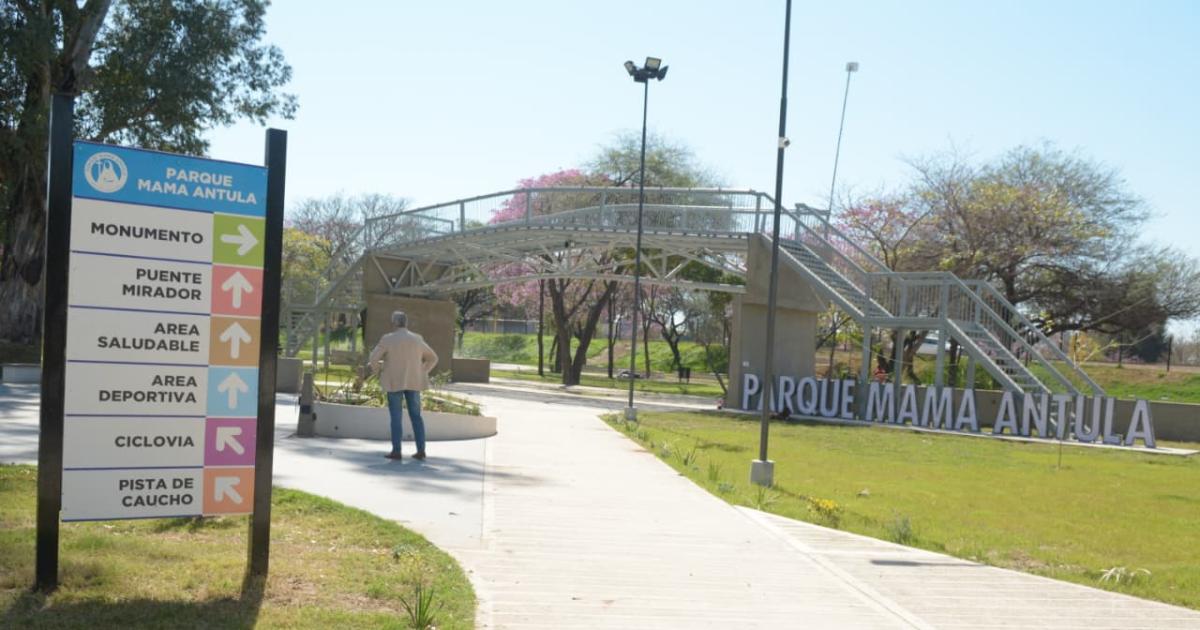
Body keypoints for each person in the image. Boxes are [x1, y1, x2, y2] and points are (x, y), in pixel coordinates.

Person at [368, 311, 439, 460]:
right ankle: (421, 450)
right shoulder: (417, 339)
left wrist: (378, 372)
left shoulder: (387, 339)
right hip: (414, 382)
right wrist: (422, 371)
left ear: (394, 323)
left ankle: (396, 451)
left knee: (396, 417)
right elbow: (433, 358)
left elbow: (373, 358)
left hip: (394, 382)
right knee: (416, 416)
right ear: (406, 323)